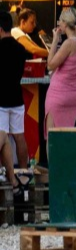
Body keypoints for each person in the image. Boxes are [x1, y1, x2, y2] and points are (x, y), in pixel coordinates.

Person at [42, 9, 76, 132]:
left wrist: (55, 40)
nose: (59, 24)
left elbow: (50, 65)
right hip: (74, 94)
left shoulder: (69, 43)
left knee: (52, 139)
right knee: (67, 137)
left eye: (60, 21)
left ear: (65, 24)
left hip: (59, 94)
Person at [0, 10, 28, 178]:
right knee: (19, 137)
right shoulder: (21, 49)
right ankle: (24, 173)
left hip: (1, 100)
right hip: (17, 98)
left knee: (2, 139)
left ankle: (2, 174)